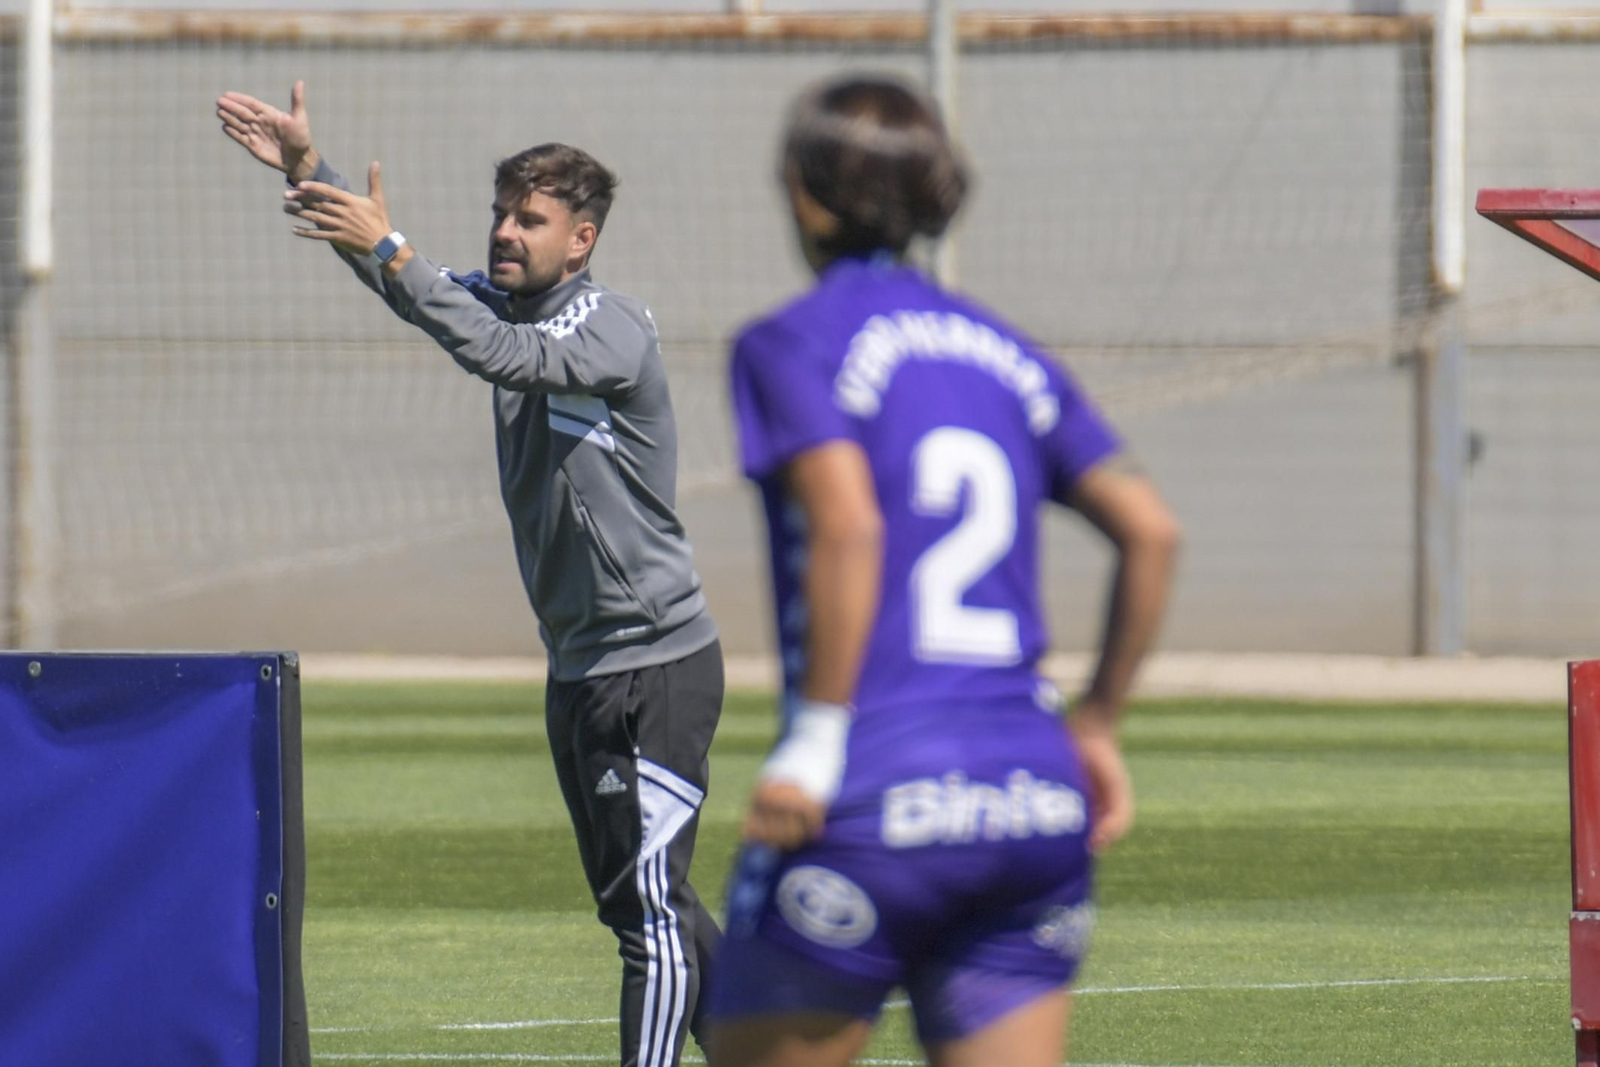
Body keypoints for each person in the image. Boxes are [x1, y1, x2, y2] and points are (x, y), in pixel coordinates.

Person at [217, 82, 723, 1067]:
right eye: (501, 212)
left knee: (648, 916)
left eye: (530, 219)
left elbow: (498, 350)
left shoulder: (609, 324)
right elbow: (418, 295)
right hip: (578, 665)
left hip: (656, 667)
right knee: (639, 896)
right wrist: (306, 171)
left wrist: (391, 245)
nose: (505, 231)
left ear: (580, 238)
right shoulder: (507, 304)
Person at [706, 74, 1181, 1067]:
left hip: (877, 792)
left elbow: (847, 524)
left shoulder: (789, 341)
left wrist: (813, 745)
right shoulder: (1009, 351)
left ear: (803, 191)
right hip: (1029, 797)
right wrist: (1092, 723)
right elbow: (1150, 530)